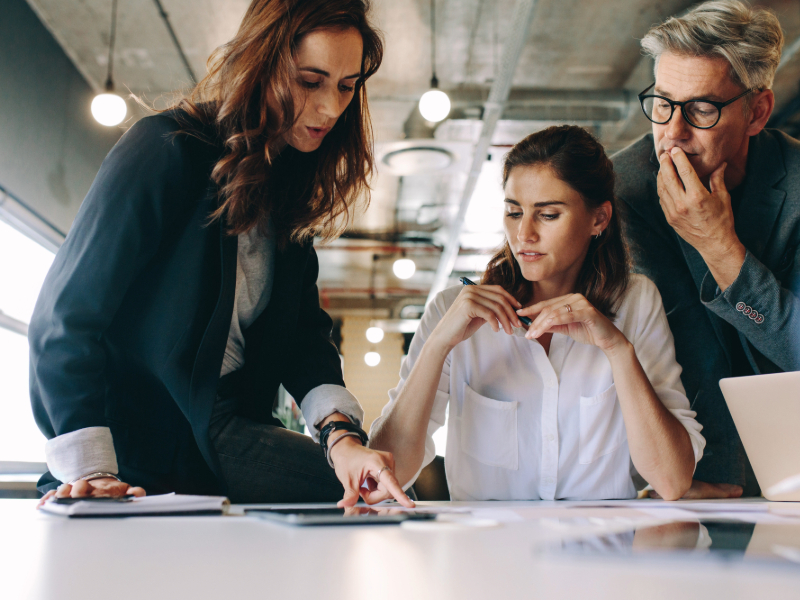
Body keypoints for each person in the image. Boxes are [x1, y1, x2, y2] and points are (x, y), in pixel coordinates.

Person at [31, 0, 413, 508]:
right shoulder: (165, 149)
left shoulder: (285, 191)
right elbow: (65, 320)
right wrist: (92, 468)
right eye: (310, 80)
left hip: (227, 427)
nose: (330, 108)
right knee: (367, 499)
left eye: (347, 86)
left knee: (370, 487)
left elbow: (304, 339)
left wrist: (341, 437)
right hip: (144, 440)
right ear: (262, 63)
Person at [369, 126, 705, 501]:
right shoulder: (452, 311)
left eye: (547, 215)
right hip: (488, 552)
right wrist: (437, 347)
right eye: (514, 212)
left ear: (599, 219)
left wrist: (617, 349)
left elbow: (672, 481)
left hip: (601, 552)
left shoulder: (637, 302)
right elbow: (386, 476)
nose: (523, 234)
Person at [612, 0, 800, 498]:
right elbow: (680, 348)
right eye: (662, 102)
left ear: (757, 111)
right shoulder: (622, 191)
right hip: (690, 474)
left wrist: (720, 248)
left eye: (701, 109)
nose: (671, 133)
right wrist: (708, 473)